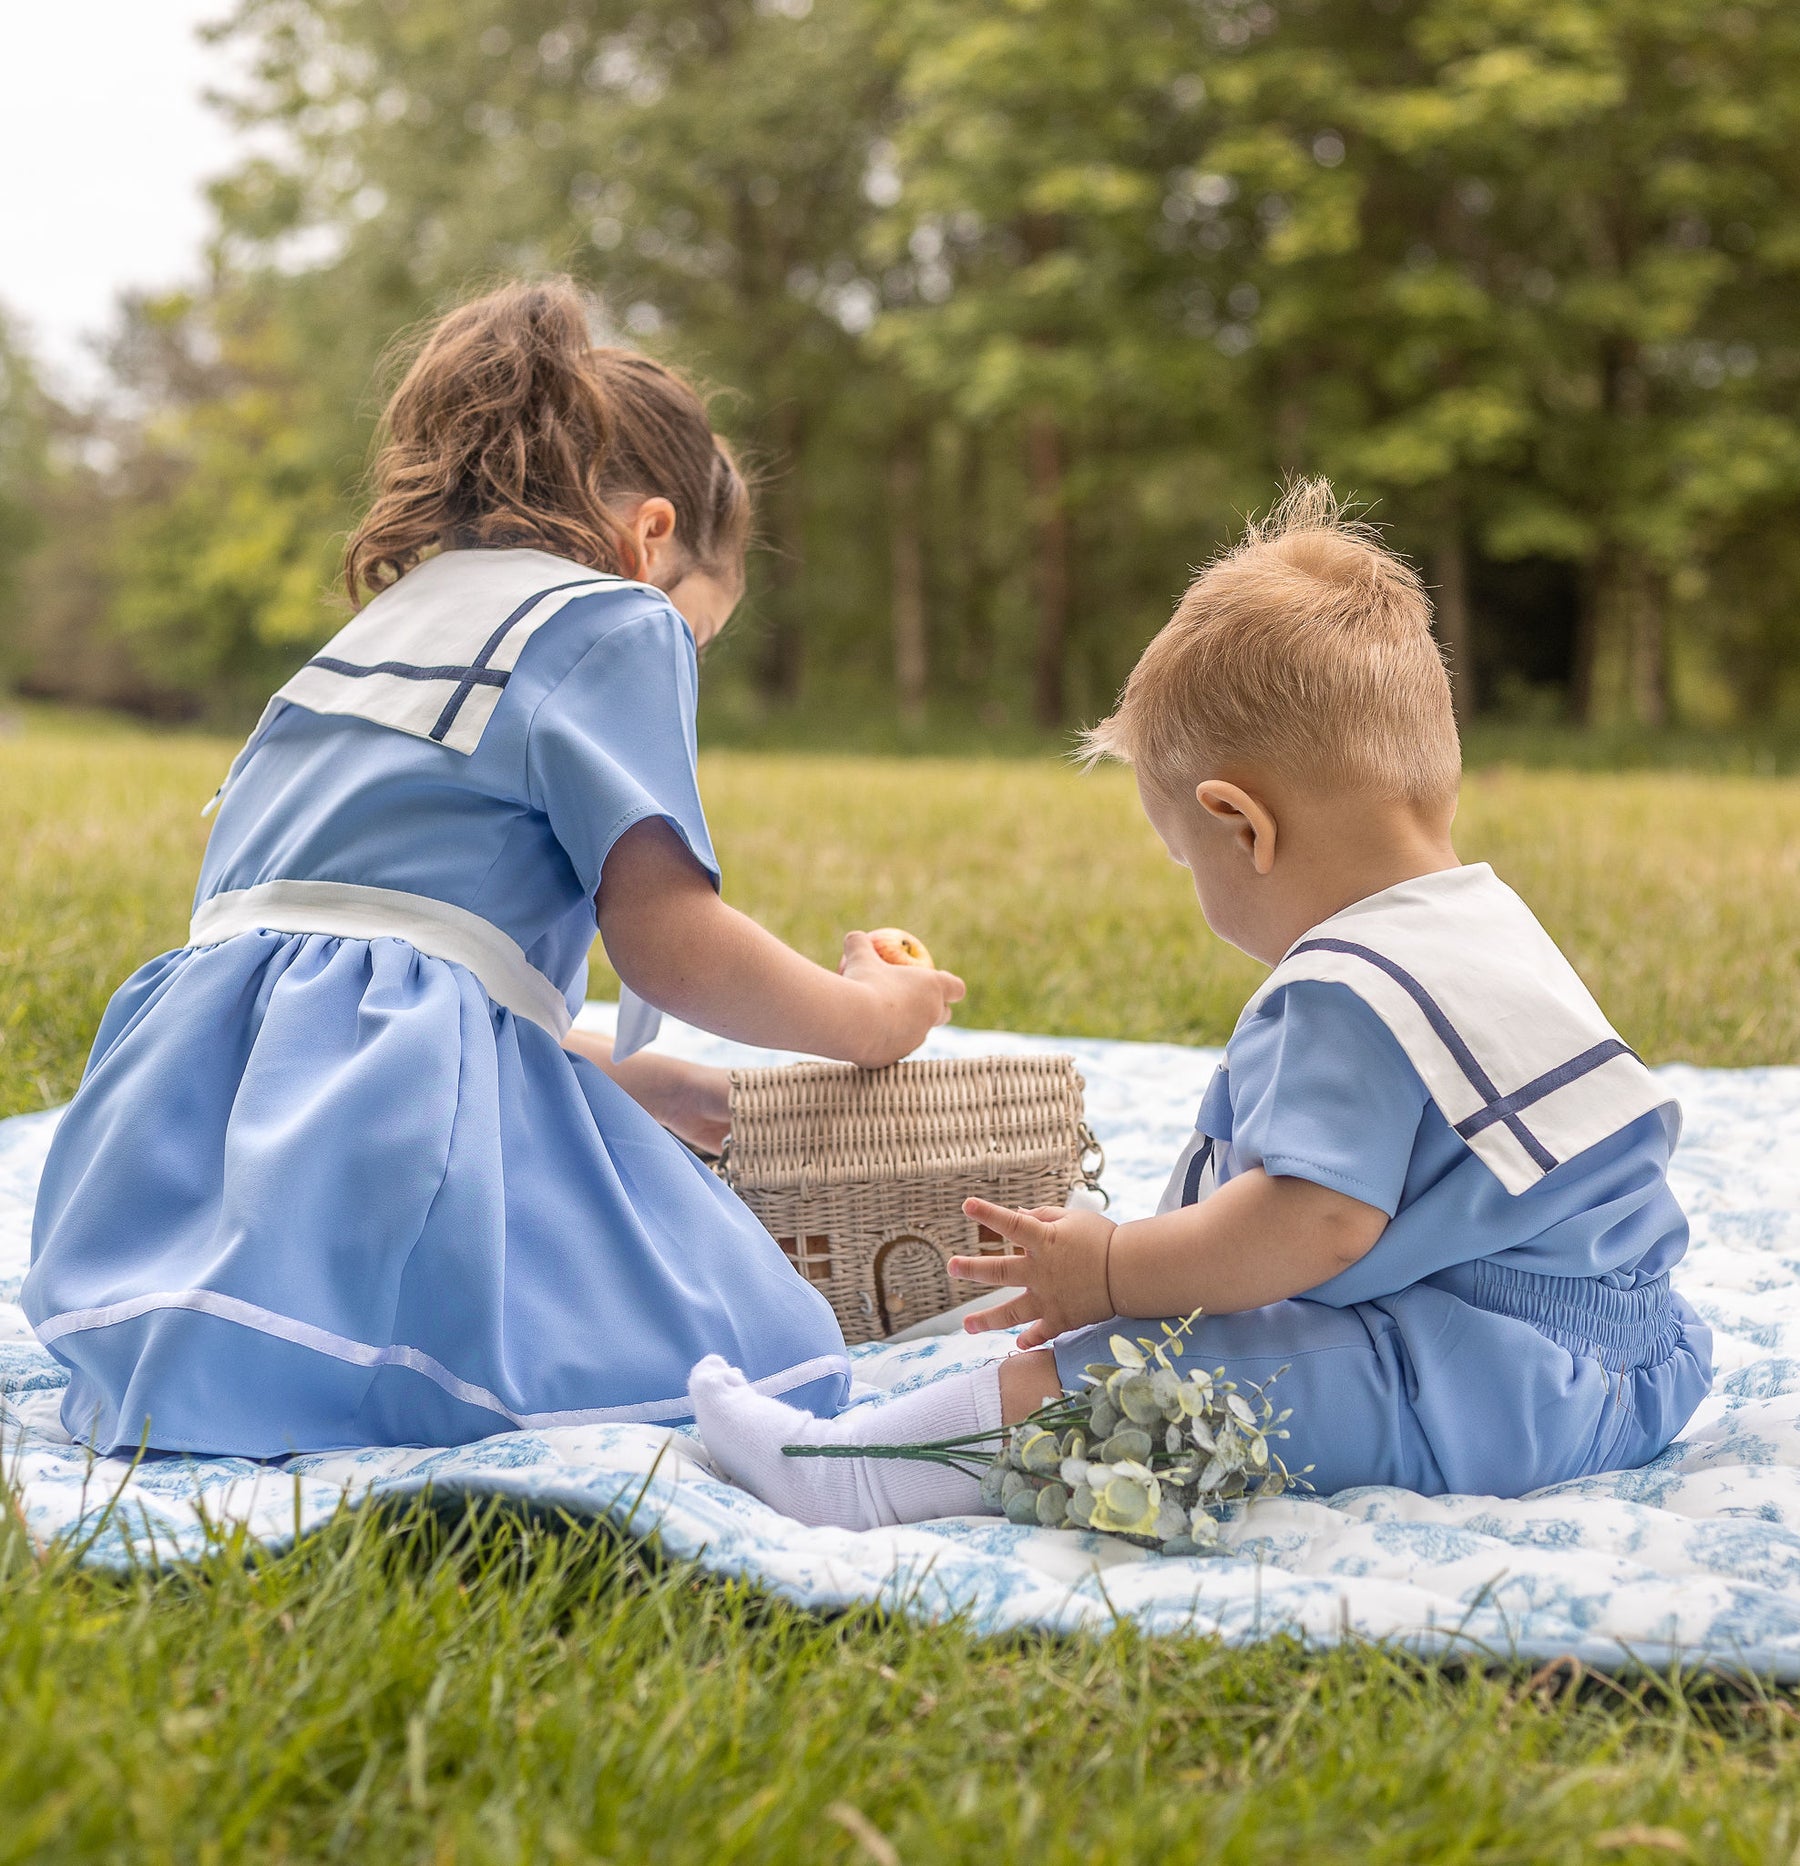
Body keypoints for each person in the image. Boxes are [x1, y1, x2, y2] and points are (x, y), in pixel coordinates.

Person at [25, 278, 962, 1457]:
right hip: (364, 1171)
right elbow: (670, 948)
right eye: (699, 630)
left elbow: (346, 968)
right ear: (653, 539)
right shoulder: (618, 616)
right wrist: (869, 1017)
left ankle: (236, 1351)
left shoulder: (372, 635)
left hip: (168, 1178)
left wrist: (616, 1077)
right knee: (762, 1344)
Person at [689, 480, 1713, 1525]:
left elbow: (1314, 1225)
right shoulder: (1486, 917)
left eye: (1187, 858)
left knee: (1144, 1374)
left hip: (1483, 1384)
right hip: (1638, 1361)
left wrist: (1114, 1271)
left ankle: (847, 1472)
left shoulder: (1343, 986)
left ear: (1243, 826)